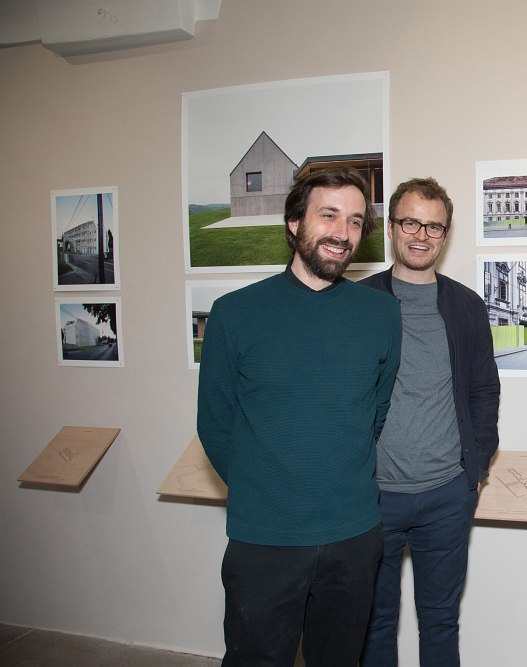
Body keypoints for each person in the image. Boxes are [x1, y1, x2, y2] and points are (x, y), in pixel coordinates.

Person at [197, 168, 402, 667]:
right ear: (294, 222)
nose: (342, 233)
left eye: (355, 221)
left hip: (353, 536)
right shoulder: (234, 313)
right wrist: (267, 493)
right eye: (328, 215)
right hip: (265, 539)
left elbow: (374, 413)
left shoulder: (381, 314)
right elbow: (215, 424)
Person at [360, 177, 500, 667]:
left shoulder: (466, 306)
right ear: (391, 228)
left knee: (440, 621)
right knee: (373, 621)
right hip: (371, 497)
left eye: (434, 226)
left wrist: (475, 469)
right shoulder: (357, 303)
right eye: (410, 223)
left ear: (445, 233)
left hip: (447, 496)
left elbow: (484, 390)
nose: (421, 235)